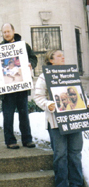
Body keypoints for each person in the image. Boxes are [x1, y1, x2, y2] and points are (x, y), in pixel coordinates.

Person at [34, 49, 84, 187]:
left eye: (63, 55)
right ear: (51, 60)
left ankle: (77, 184)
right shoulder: (44, 77)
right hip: (56, 122)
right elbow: (38, 97)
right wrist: (49, 104)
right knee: (60, 155)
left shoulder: (71, 74)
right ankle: (62, 184)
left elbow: (79, 94)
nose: (63, 57)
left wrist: (85, 102)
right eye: (59, 55)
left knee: (75, 153)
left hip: (74, 120)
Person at [0, 23, 37, 149]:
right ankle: (10, 141)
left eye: (8, 31)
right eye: (4, 32)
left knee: (24, 115)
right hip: (7, 90)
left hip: (22, 88)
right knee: (8, 116)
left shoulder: (24, 46)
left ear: (13, 31)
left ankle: (27, 140)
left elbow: (33, 58)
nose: (7, 34)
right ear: (2, 34)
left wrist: (31, 64)